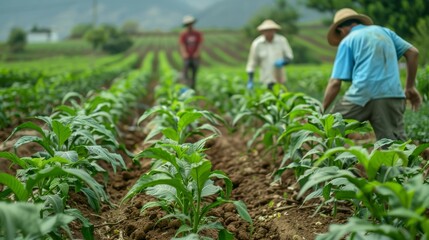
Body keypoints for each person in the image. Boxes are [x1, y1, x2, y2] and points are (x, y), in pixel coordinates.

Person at [323, 8, 422, 141]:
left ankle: (325, 160)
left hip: (360, 96)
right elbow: (413, 53)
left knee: (329, 132)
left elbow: (335, 83)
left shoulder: (348, 40)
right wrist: (410, 87)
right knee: (395, 149)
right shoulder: (385, 32)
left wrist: (322, 109)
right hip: (391, 95)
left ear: (341, 30)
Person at [246, 19, 294, 90]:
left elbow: (289, 56)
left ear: (275, 30)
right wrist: (250, 79)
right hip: (265, 79)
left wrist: (284, 61)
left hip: (279, 79)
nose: (269, 32)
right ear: (262, 32)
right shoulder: (257, 44)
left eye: (271, 30)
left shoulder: (282, 41)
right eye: (266, 31)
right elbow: (252, 63)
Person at [179, 15, 203, 90]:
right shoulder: (183, 34)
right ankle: (186, 87)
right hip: (187, 57)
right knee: (185, 71)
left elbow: (199, 44)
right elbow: (182, 45)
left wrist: (197, 53)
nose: (189, 25)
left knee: (194, 72)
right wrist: (184, 53)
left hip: (195, 57)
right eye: (187, 24)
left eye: (190, 24)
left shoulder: (197, 33)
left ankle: (193, 87)